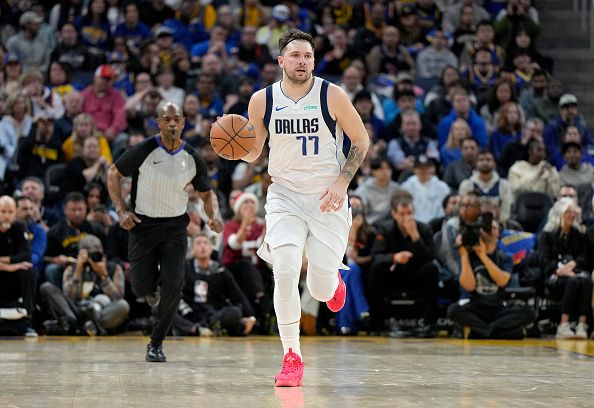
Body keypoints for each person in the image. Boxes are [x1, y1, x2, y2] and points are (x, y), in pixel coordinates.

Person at [242, 30, 369, 386]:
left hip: (327, 195)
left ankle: (334, 286)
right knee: (284, 268)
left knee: (320, 289)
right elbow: (254, 152)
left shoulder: (332, 95)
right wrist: (233, 145)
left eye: (308, 56)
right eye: (295, 55)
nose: (302, 61)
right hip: (284, 195)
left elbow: (361, 140)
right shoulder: (262, 100)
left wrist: (343, 182)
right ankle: (292, 357)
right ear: (281, 61)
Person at [107, 101, 223, 363]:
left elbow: (205, 194)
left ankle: (156, 343)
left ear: (184, 123)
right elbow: (113, 174)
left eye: (177, 119)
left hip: (174, 228)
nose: (172, 123)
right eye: (167, 119)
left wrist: (212, 217)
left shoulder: (192, 157)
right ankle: (150, 289)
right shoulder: (144, 149)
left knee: (174, 284)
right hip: (142, 225)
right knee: (140, 287)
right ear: (158, 123)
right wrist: (121, 210)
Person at [447, 219, 536, 339]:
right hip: (476, 307)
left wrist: (482, 256)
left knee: (529, 312)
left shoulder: (505, 256)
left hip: (498, 308)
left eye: (493, 228)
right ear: (480, 232)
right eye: (486, 228)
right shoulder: (469, 255)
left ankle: (481, 331)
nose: (489, 231)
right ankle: (499, 332)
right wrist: (463, 254)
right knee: (453, 310)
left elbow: (502, 281)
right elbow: (469, 286)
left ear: (498, 233)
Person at [368, 193, 439, 337]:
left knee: (432, 269)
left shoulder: (424, 228)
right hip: (393, 275)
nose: (407, 218)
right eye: (402, 214)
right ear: (394, 214)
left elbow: (430, 258)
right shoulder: (384, 229)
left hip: (415, 275)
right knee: (376, 269)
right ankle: (377, 324)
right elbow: (375, 256)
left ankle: (430, 324)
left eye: (410, 213)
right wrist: (394, 257)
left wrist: (415, 237)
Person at [40, 234, 129, 335]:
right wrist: (78, 270)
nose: (91, 258)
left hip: (101, 311)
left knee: (123, 306)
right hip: (76, 309)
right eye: (89, 254)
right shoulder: (72, 268)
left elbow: (117, 298)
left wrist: (104, 277)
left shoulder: (114, 268)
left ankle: (83, 326)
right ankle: (86, 326)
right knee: (46, 287)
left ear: (102, 252)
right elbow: (69, 296)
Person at [174, 233, 257, 337]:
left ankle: (203, 328)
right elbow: (174, 294)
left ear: (211, 249)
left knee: (236, 312)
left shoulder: (220, 270)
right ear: (193, 249)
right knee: (163, 309)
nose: (202, 246)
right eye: (198, 243)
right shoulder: (184, 268)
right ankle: (195, 329)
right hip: (190, 313)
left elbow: (237, 295)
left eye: (205, 243)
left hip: (214, 314)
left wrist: (251, 316)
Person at [539, 199, 592, 339]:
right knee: (573, 282)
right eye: (568, 212)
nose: (571, 215)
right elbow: (543, 260)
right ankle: (564, 324)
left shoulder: (579, 234)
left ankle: (582, 324)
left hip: (574, 272)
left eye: (573, 212)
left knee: (586, 281)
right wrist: (559, 270)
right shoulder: (547, 235)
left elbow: (584, 256)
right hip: (554, 275)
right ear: (559, 213)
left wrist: (573, 265)